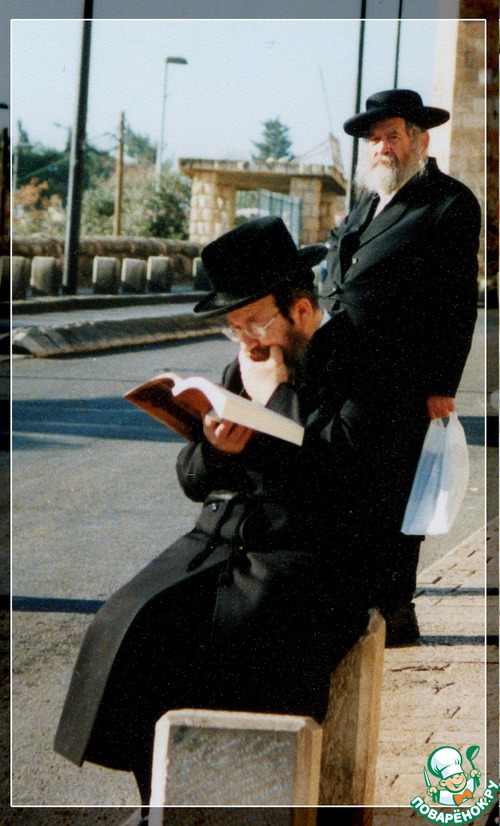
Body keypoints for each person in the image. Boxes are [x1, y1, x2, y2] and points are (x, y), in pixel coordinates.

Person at [54, 216, 370, 815]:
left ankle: (220, 800)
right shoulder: (244, 363)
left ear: (302, 310)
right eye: (235, 328)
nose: (246, 340)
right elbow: (192, 480)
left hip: (301, 554)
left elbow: (347, 477)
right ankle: (162, 799)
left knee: (207, 646)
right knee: (125, 621)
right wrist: (216, 450)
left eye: (255, 323)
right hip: (222, 543)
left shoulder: (357, 359)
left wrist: (275, 396)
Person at [321, 88, 481, 645]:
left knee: (393, 498)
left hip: (400, 378)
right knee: (349, 492)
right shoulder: (369, 198)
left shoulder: (449, 202)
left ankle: (395, 617)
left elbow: (458, 304)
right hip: (342, 369)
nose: (381, 147)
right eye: (374, 139)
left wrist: (442, 385)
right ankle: (357, 608)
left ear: (419, 139)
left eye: (391, 135)